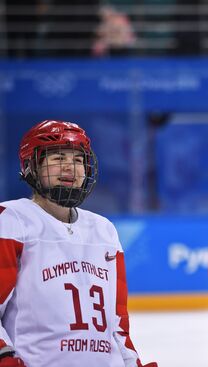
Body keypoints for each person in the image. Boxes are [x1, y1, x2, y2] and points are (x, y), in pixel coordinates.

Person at [0, 120, 156, 367]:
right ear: (31, 167)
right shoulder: (11, 219)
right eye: (58, 158)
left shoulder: (104, 229)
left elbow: (117, 323)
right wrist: (5, 357)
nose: (70, 167)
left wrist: (132, 362)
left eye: (77, 160)